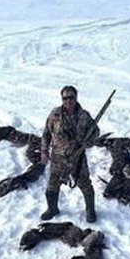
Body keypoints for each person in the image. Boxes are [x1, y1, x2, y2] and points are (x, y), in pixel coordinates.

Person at [40, 85, 100, 222]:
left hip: (78, 158)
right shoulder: (54, 115)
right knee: (52, 185)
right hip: (57, 158)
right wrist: (44, 151)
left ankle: (90, 210)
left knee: (85, 184)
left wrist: (90, 142)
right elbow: (46, 134)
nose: (68, 101)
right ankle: (52, 209)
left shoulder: (84, 115)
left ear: (76, 97)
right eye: (65, 98)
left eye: (71, 97)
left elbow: (96, 132)